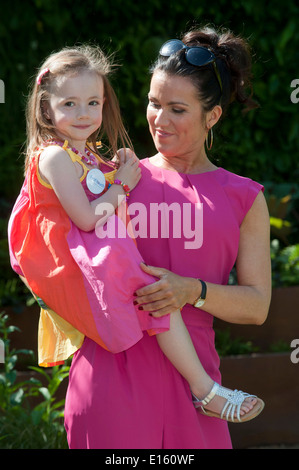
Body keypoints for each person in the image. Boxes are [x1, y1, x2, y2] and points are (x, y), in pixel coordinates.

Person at [8, 41, 264, 443]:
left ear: (212, 115)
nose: (159, 120)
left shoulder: (244, 197)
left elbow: (257, 306)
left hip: (198, 386)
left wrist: (190, 291)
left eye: (177, 110)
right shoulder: (113, 179)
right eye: (153, 103)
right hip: (109, 382)